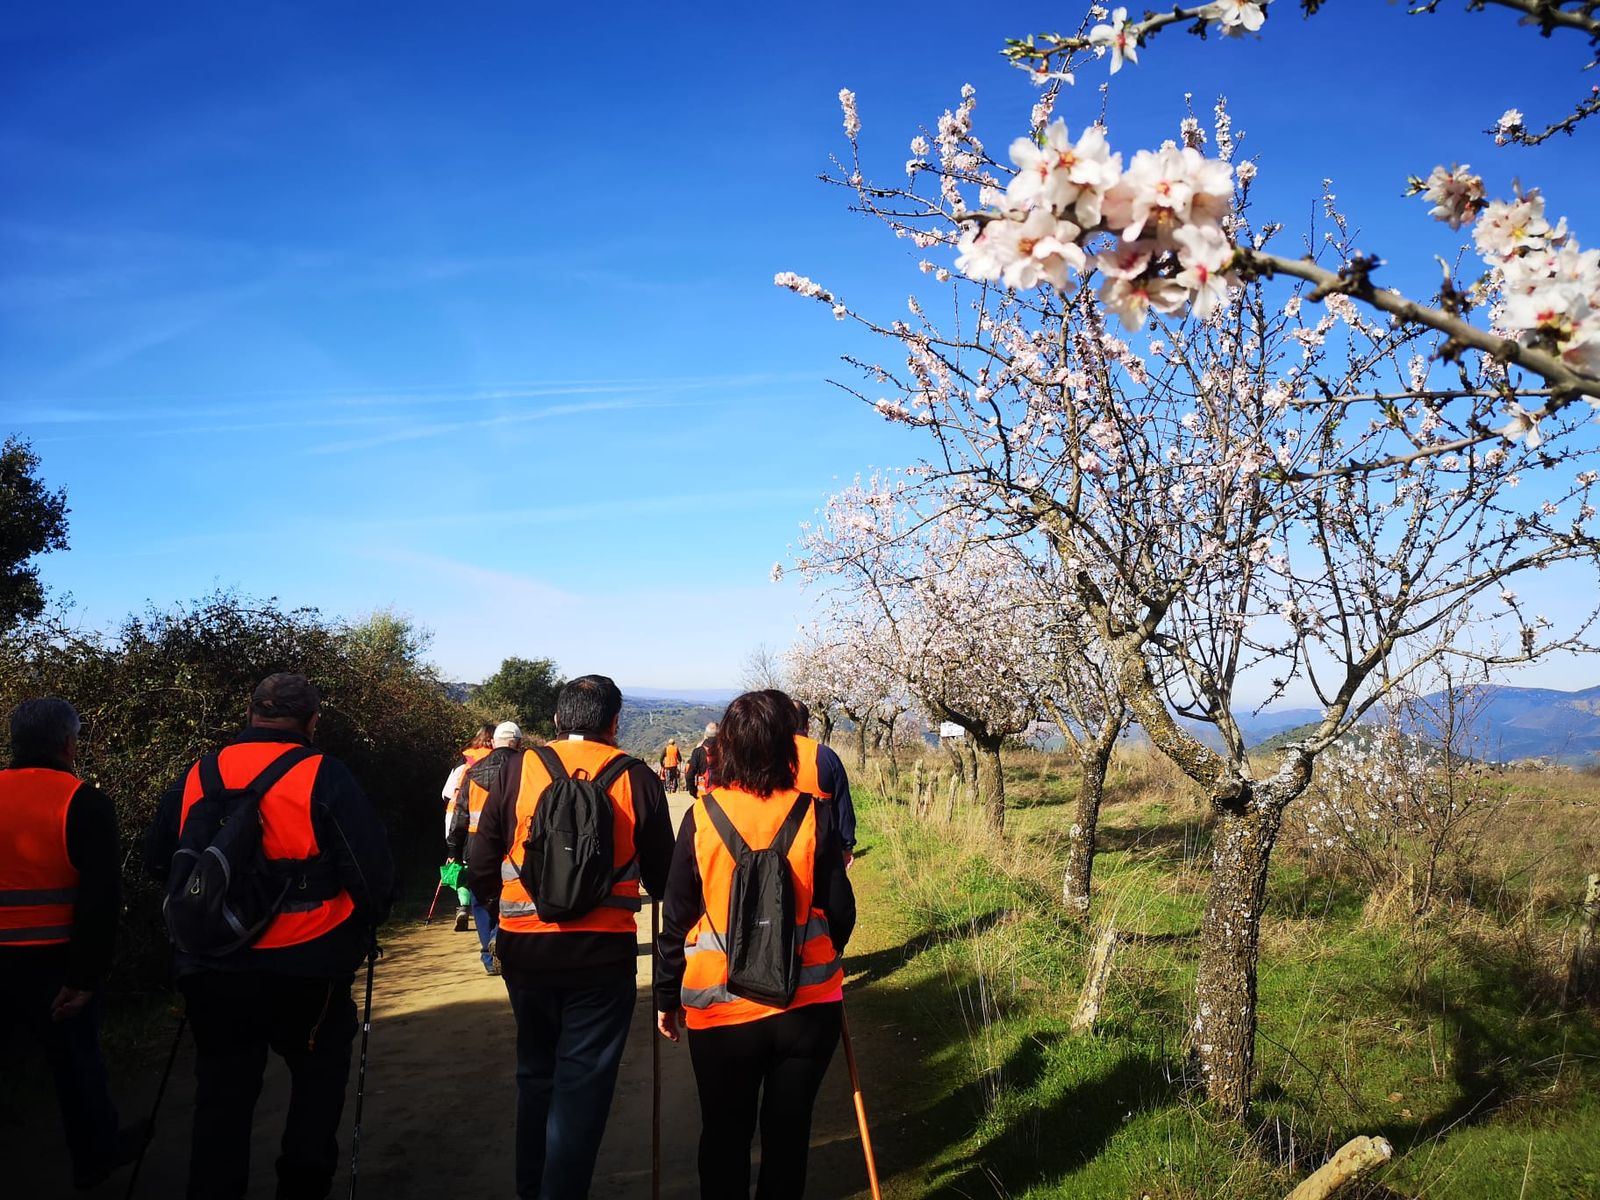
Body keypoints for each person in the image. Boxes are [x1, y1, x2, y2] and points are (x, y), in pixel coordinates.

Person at [145, 673, 394, 1200]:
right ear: (312, 721)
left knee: (222, 1094)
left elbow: (156, 860)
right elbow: (369, 870)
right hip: (308, 965)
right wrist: (371, 918)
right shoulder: (323, 774)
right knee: (316, 1085)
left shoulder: (200, 772)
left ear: (251, 713)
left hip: (212, 965)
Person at [469, 674, 674, 1200]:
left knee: (535, 1071)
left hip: (525, 950)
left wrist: (500, 911)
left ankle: (531, 1187)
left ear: (559, 719)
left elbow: (480, 861)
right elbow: (662, 878)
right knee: (581, 1086)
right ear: (613, 722)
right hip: (601, 957)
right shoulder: (639, 779)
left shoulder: (516, 769)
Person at [655, 689, 855, 1200]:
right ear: (787, 746)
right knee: (788, 1140)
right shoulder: (813, 814)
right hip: (806, 1006)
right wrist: (826, 960)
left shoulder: (702, 816)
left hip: (720, 1009)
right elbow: (841, 911)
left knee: (724, 1135)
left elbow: (676, 920)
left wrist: (664, 998)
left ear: (727, 748)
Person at [0, 697, 148, 1190]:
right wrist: (85, 979)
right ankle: (95, 1156)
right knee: (77, 1065)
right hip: (56, 964)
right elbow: (100, 901)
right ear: (69, 744)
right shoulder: (83, 801)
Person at [446, 719, 521, 974]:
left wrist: (453, 850)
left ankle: (488, 957)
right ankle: (500, 937)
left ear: (493, 743)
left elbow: (460, 814)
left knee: (480, 900)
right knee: (510, 896)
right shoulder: (524, 771)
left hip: (476, 846)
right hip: (512, 848)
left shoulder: (473, 773)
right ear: (518, 744)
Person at [790, 699, 858, 867]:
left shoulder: (767, 756)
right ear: (807, 725)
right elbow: (843, 806)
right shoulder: (825, 756)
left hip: (778, 852)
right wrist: (847, 845)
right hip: (820, 849)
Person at [443, 723, 496, 931]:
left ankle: (463, 905)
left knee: (459, 861)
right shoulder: (501, 759)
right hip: (488, 819)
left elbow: (446, 793)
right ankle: (488, 907)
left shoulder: (464, 760)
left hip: (456, 815)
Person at [686, 721, 718, 799]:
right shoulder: (725, 751)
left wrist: (693, 791)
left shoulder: (698, 751)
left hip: (703, 795)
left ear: (706, 735)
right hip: (721, 795)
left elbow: (689, 775)